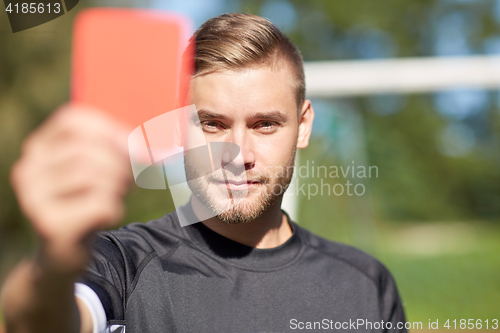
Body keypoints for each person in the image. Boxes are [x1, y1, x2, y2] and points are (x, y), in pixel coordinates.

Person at [1, 13, 407, 333]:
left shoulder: (365, 285)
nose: (238, 154)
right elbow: (40, 322)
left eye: (265, 124)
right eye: (212, 124)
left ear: (302, 127)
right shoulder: (121, 264)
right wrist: (54, 260)